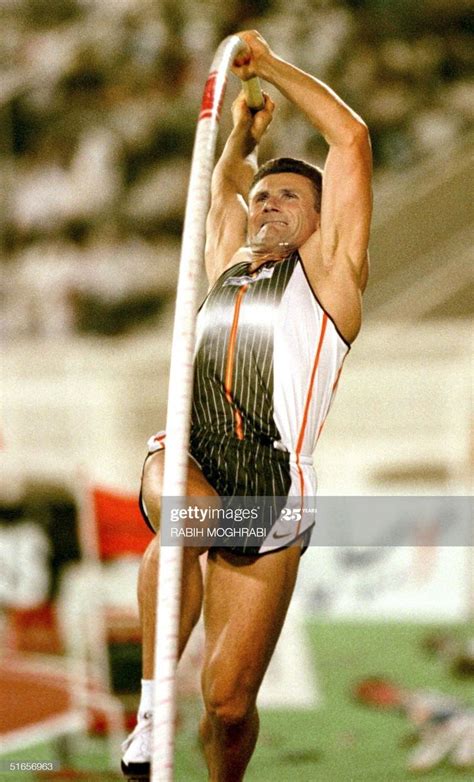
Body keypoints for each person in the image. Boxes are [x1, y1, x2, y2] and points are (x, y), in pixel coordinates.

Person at [121, 29, 372, 782]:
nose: (265, 203)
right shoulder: (230, 256)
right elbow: (225, 180)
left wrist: (267, 69)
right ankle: (150, 708)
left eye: (287, 195)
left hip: (273, 491)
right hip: (192, 451)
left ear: (324, 220)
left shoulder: (331, 278)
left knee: (229, 706)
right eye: (262, 196)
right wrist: (241, 134)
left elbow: (351, 137)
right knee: (185, 506)